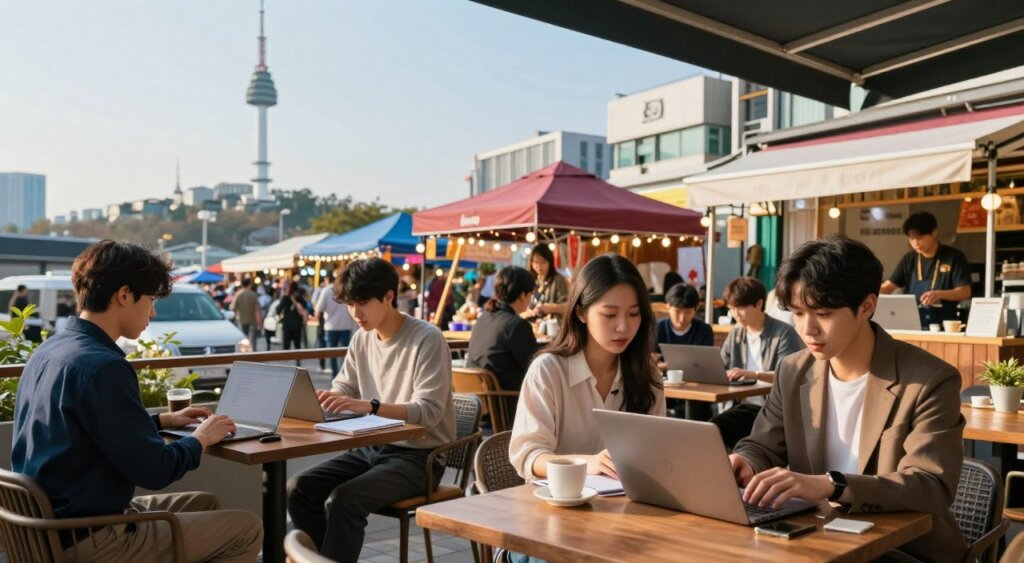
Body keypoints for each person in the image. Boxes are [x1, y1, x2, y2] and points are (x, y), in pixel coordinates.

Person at [12, 240, 262, 562]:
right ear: (124, 295)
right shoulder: (104, 366)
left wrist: (159, 421)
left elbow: (86, 429)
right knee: (246, 529)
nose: (153, 312)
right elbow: (155, 471)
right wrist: (200, 439)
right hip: (89, 536)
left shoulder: (51, 350)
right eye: (151, 299)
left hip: (50, 527)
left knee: (204, 503)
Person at [730, 235, 965, 563]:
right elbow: (763, 445)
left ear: (867, 306)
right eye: (797, 313)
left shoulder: (929, 380)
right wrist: (745, 461)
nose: (808, 329)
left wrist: (832, 485)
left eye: (823, 314)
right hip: (816, 540)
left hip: (904, 550)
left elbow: (931, 486)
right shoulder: (793, 370)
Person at [287, 258, 455, 562]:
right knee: (298, 488)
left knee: (345, 499)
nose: (355, 313)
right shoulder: (362, 339)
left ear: (389, 296)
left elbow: (429, 412)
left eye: (362, 302)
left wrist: (372, 406)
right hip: (371, 446)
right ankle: (322, 558)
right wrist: (328, 398)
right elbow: (345, 386)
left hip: (421, 457)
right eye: (350, 304)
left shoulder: (427, 339)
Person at [509, 253, 665, 481]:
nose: (623, 327)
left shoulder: (647, 374)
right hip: (557, 499)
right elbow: (528, 455)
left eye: (634, 313)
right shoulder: (548, 371)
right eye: (610, 314)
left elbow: (657, 451)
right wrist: (585, 463)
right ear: (581, 312)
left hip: (627, 500)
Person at [711, 276, 804, 449]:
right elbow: (720, 366)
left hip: (770, 409)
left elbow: (789, 376)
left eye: (740, 308)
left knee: (715, 428)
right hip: (740, 405)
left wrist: (753, 375)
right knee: (708, 428)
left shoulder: (783, 333)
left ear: (759, 304)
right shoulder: (736, 333)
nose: (736, 314)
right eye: (732, 308)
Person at [880, 211, 971, 329]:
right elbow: (889, 286)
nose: (915, 243)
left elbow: (965, 292)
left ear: (934, 233)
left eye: (920, 238)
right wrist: (869, 290)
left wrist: (939, 294)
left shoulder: (953, 257)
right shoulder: (909, 259)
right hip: (910, 323)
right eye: (911, 239)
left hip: (943, 325)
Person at [466, 266, 539, 391]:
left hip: (475, 398)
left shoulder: (483, 318)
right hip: (506, 399)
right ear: (523, 295)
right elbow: (537, 367)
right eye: (531, 294)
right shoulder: (517, 325)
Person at [653, 283, 714, 421]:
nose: (682, 318)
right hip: (664, 387)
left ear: (696, 309)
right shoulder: (657, 328)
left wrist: (666, 365)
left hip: (696, 390)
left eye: (687, 312)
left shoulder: (704, 330)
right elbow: (650, 358)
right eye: (677, 312)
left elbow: (704, 363)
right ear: (667, 306)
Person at [316, 272, 356, 375]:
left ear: (327, 279)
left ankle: (335, 376)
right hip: (346, 325)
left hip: (331, 326)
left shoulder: (326, 290)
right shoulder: (346, 288)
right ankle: (345, 375)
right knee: (345, 354)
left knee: (332, 354)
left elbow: (320, 308)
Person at [524, 244, 569, 321]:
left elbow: (567, 307)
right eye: (535, 262)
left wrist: (551, 308)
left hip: (551, 324)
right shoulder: (530, 279)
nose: (539, 266)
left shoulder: (558, 279)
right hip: (532, 323)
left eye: (543, 262)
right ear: (531, 263)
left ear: (550, 262)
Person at [279, 284, 308, 364]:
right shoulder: (300, 299)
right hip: (297, 325)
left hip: (287, 324)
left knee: (286, 345)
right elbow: (305, 307)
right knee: (297, 344)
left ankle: (286, 362)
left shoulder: (285, 298)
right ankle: (298, 361)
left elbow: (278, 310)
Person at [229, 277, 261, 347]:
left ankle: (244, 350)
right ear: (249, 285)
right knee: (252, 339)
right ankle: (253, 351)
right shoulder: (253, 294)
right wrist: (259, 321)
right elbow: (257, 309)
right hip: (252, 319)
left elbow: (232, 307)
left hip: (241, 319)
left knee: (243, 338)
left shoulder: (238, 294)